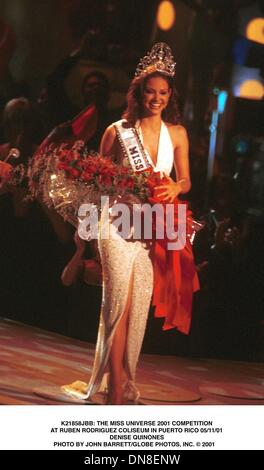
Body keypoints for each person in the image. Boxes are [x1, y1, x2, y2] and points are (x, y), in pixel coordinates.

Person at [61, 42, 199, 404]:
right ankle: (118, 389)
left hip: (151, 227)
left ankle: (120, 380)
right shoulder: (115, 131)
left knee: (137, 309)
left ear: (170, 96)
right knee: (117, 302)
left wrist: (175, 185)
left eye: (163, 93)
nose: (156, 99)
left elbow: (186, 181)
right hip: (116, 223)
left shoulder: (179, 134)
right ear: (138, 93)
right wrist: (86, 238)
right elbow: (95, 186)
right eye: (150, 92)